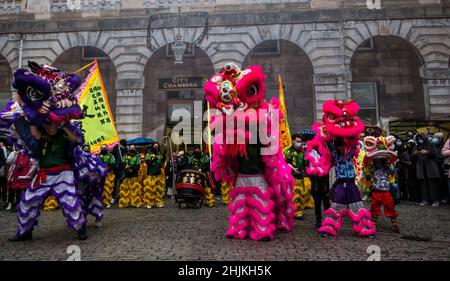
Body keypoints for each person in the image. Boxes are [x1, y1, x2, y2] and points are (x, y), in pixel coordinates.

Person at [204, 63, 295, 241]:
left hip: (258, 175)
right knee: (239, 204)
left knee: (260, 202)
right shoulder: (231, 137)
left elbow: (270, 149)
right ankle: (238, 229)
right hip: (242, 176)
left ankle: (262, 229)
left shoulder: (261, 134)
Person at [307, 100, 375, 238]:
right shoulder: (334, 152)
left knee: (358, 206)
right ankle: (328, 228)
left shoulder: (351, 149)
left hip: (350, 183)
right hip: (341, 182)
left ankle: (365, 229)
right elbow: (327, 141)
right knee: (336, 206)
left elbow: (352, 138)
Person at [361, 136, 400, 233]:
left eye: (380, 160)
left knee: (390, 208)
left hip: (385, 192)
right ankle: (373, 224)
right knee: (374, 209)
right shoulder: (372, 168)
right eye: (376, 161)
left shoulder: (387, 168)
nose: (378, 162)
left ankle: (394, 224)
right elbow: (366, 172)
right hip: (376, 192)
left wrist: (389, 162)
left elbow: (392, 171)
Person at [284, 133, 314, 220]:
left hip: (301, 176)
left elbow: (306, 163)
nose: (299, 143)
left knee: (301, 194)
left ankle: (297, 211)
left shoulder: (302, 152)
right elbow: (286, 162)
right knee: (294, 194)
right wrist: (293, 169)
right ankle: (295, 212)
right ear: (293, 141)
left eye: (300, 142)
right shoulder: (288, 151)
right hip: (291, 176)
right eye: (297, 141)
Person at [413, 133, 440, 207]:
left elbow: (435, 154)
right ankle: (425, 200)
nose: (419, 140)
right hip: (421, 169)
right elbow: (412, 156)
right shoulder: (416, 146)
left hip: (431, 168)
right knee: (423, 185)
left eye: (420, 138)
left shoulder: (430, 145)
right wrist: (415, 153)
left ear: (424, 138)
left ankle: (435, 200)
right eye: (418, 139)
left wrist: (428, 152)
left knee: (432, 184)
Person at [142, 142, 166, 208]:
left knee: (158, 190)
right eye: (155, 146)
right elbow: (148, 163)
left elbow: (162, 162)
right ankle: (149, 203)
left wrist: (164, 156)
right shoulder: (149, 154)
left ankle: (158, 202)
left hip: (158, 174)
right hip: (151, 174)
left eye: (157, 146)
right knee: (150, 189)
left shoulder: (160, 154)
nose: (156, 147)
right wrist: (155, 159)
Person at [98, 144, 116, 208]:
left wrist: (107, 168)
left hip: (108, 174)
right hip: (100, 174)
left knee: (108, 188)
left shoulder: (111, 156)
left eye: (104, 148)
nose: (103, 149)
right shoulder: (98, 156)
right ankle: (100, 202)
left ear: (107, 148)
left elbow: (113, 164)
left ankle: (108, 202)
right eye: (102, 148)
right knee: (100, 188)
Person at [111, 139, 127, 204]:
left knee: (120, 182)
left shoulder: (124, 149)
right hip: (118, 167)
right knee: (117, 182)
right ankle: (115, 196)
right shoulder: (117, 148)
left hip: (121, 167)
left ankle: (119, 196)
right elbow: (112, 155)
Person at [0, 142, 7, 208]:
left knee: (3, 186)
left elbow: (3, 160)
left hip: (1, 171)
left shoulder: (2, 150)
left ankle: (4, 200)